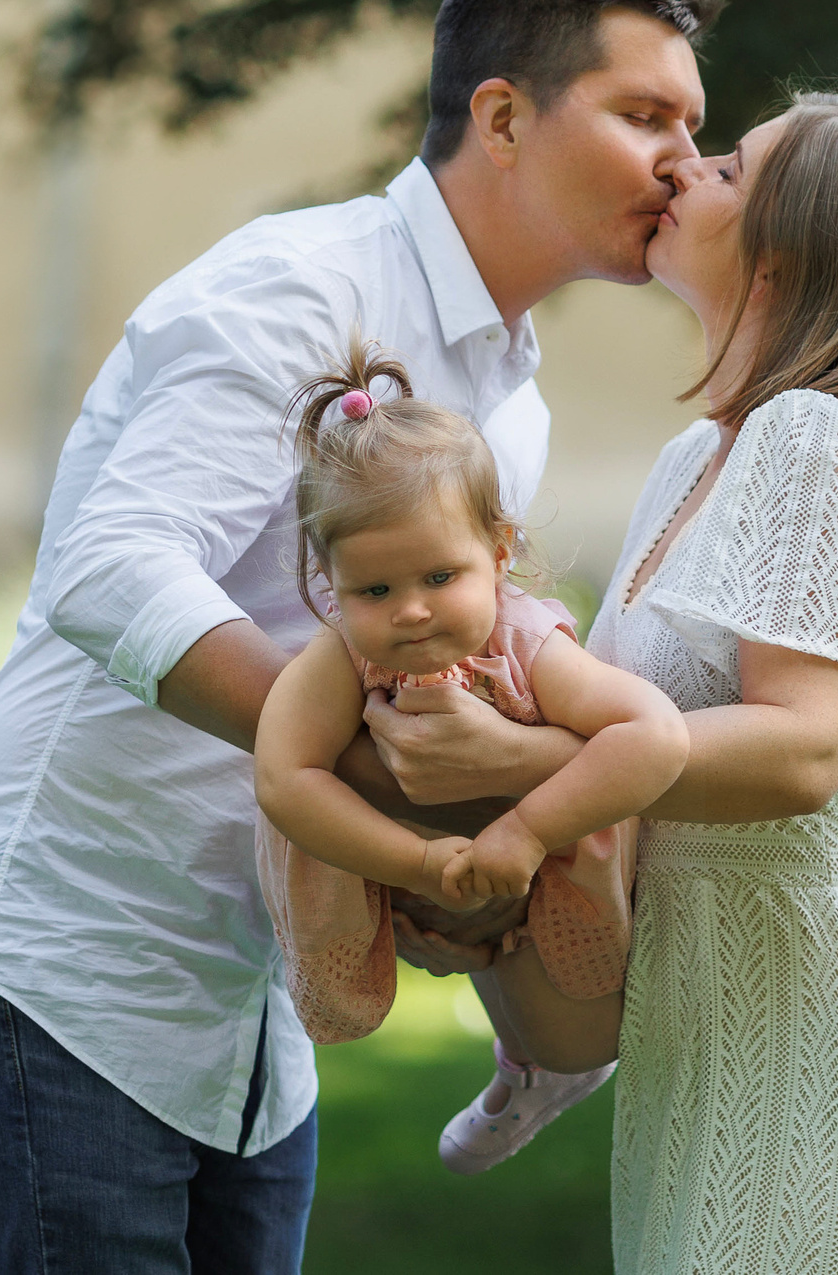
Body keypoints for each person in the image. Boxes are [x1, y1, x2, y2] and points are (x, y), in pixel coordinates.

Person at [0, 0, 715, 1273]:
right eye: (645, 118)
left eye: (696, 126)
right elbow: (111, 564)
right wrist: (361, 766)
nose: (685, 161)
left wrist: (453, 866)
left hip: (261, 1020)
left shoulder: (515, 402)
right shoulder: (301, 289)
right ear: (502, 118)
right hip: (74, 973)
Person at [380, 91, 838, 1274]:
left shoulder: (813, 435)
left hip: (823, 1080)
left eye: (729, 166)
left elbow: (805, 750)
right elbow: (623, 760)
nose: (683, 168)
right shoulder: (699, 455)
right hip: (698, 1062)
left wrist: (518, 772)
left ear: (788, 253)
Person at [253, 336, 687, 1171]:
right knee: (398, 974)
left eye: (439, 577)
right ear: (329, 584)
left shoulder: (528, 641)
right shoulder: (340, 655)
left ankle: (533, 1067)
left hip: (543, 864)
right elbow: (284, 776)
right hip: (408, 875)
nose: (410, 611)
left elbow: (655, 736)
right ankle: (520, 1046)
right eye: (374, 590)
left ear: (499, 548)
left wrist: (524, 831)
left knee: (583, 1033)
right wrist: (412, 860)